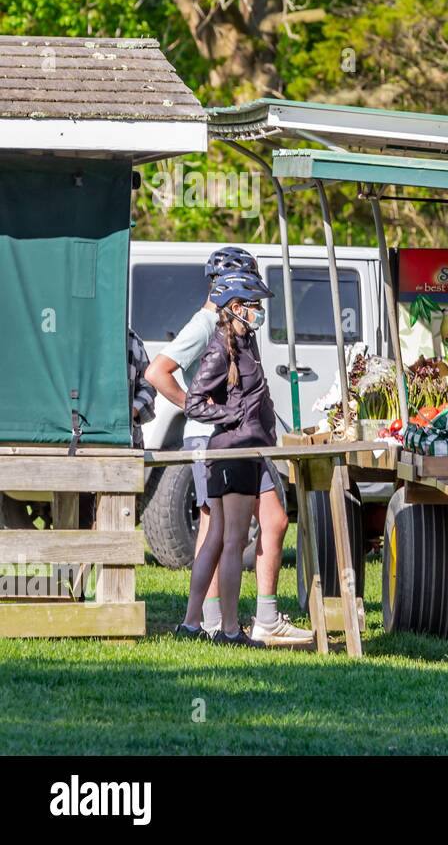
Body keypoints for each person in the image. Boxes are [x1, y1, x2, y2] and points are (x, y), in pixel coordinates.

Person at [148, 247, 310, 647]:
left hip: (243, 440)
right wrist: (208, 411)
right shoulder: (207, 326)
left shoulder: (239, 332)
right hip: (219, 441)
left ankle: (228, 620)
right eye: (249, 293)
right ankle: (215, 621)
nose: (255, 307)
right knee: (221, 533)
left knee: (255, 524)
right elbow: (159, 371)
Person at [174, 271, 280, 646]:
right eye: (253, 306)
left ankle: (191, 624)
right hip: (232, 455)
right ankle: (231, 630)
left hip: (244, 451)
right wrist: (232, 416)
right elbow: (193, 401)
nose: (258, 312)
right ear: (235, 308)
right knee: (234, 541)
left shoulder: (244, 342)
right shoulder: (219, 347)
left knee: (218, 538)